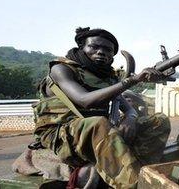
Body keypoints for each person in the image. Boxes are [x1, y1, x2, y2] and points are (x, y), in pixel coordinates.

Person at [32, 27, 170, 188]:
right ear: (82, 47)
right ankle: (134, 185)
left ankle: (140, 170)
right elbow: (84, 100)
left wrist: (130, 118)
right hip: (60, 136)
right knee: (98, 123)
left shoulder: (106, 77)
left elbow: (129, 108)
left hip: (95, 134)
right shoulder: (61, 69)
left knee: (158, 120)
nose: (101, 52)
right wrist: (132, 80)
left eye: (107, 50)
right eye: (94, 47)